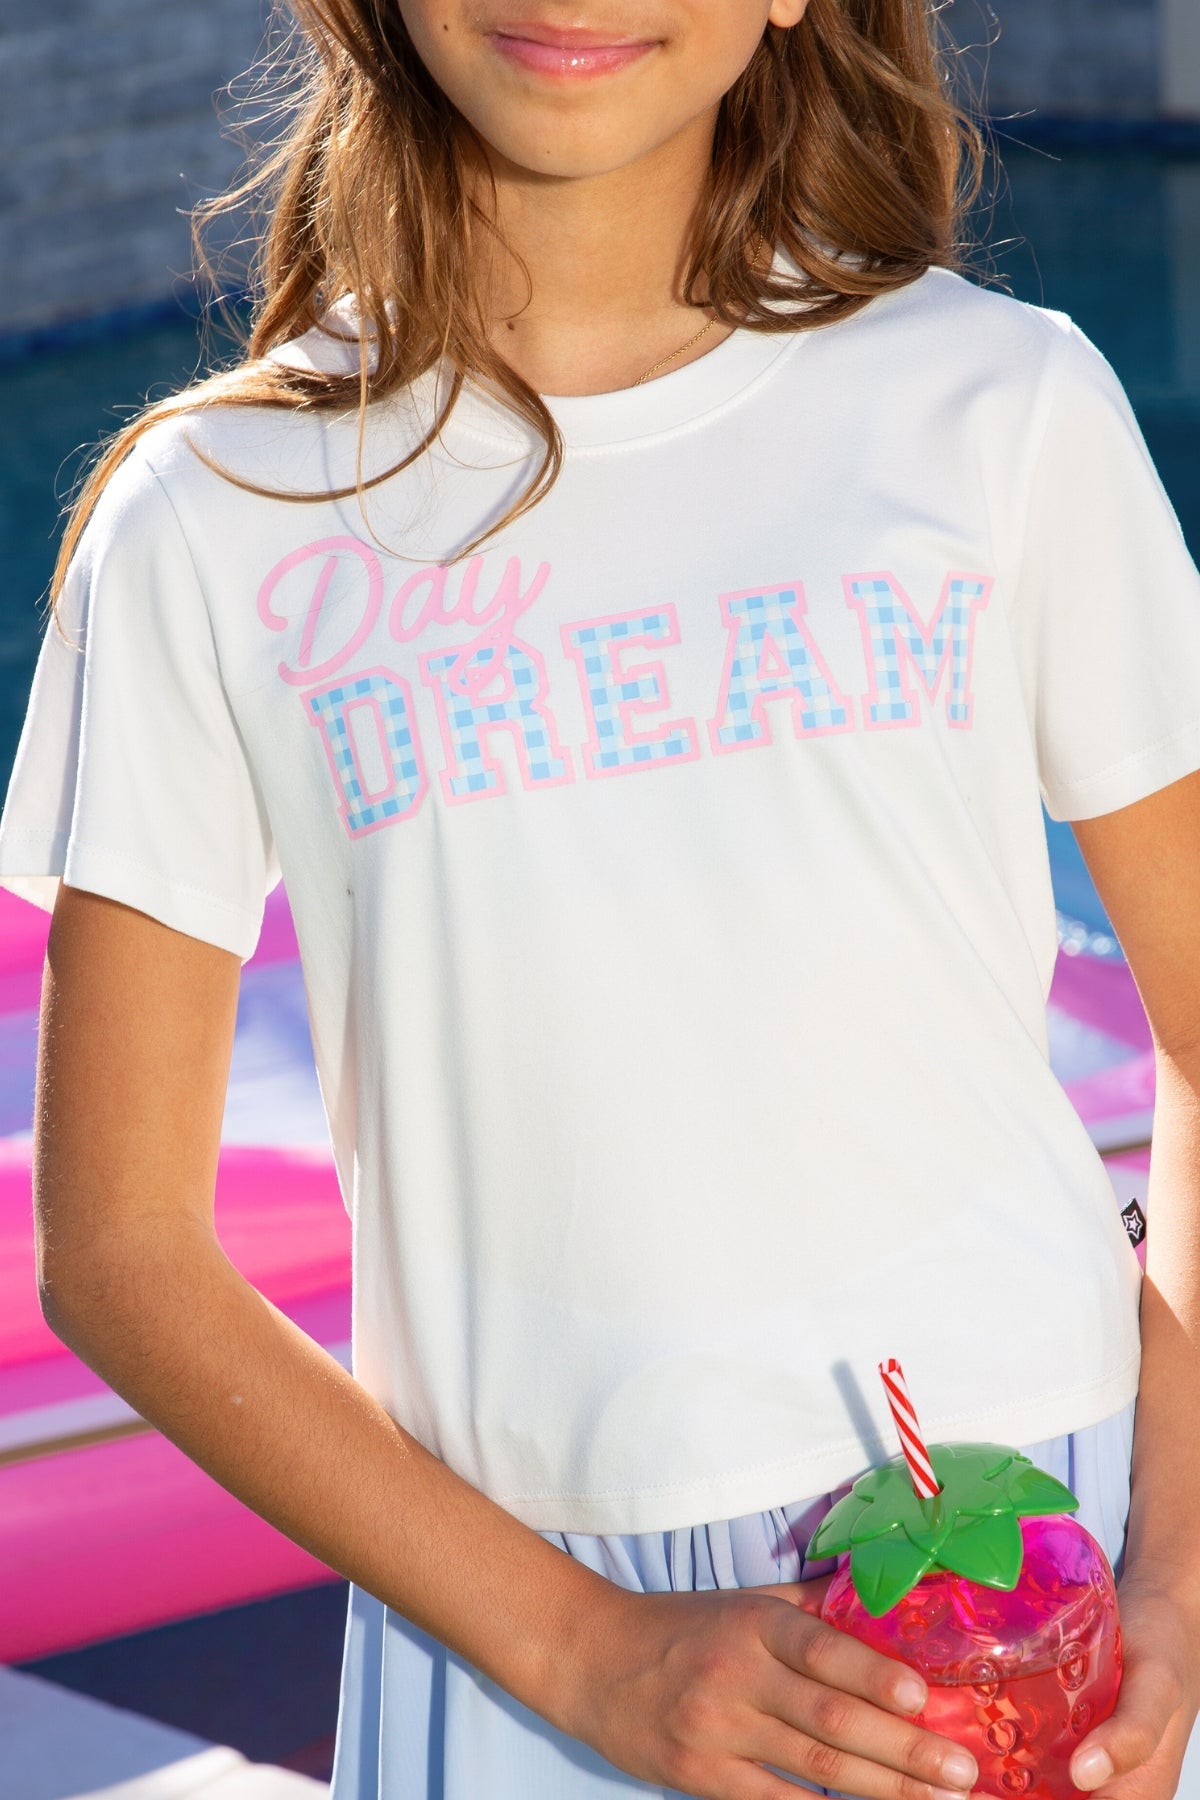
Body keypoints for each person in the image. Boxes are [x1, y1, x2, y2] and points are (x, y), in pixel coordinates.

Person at [3, 0, 1199, 1794]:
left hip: (1044, 1592)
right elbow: (119, 1249)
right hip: (521, 1640)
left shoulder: (1002, 408)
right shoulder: (213, 514)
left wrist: (1177, 1572)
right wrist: (584, 1652)